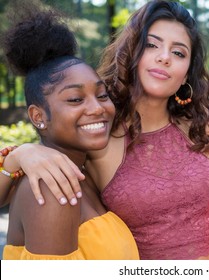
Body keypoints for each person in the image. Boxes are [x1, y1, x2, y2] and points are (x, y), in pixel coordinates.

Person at [0, 0, 209, 260]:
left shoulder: (201, 129)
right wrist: (22, 154)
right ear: (131, 54)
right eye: (152, 45)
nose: (165, 57)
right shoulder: (101, 135)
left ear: (186, 74)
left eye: (179, 53)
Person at [0, 2, 139, 260]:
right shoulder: (54, 188)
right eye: (75, 99)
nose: (97, 108)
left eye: (101, 95)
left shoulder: (82, 175)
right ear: (38, 116)